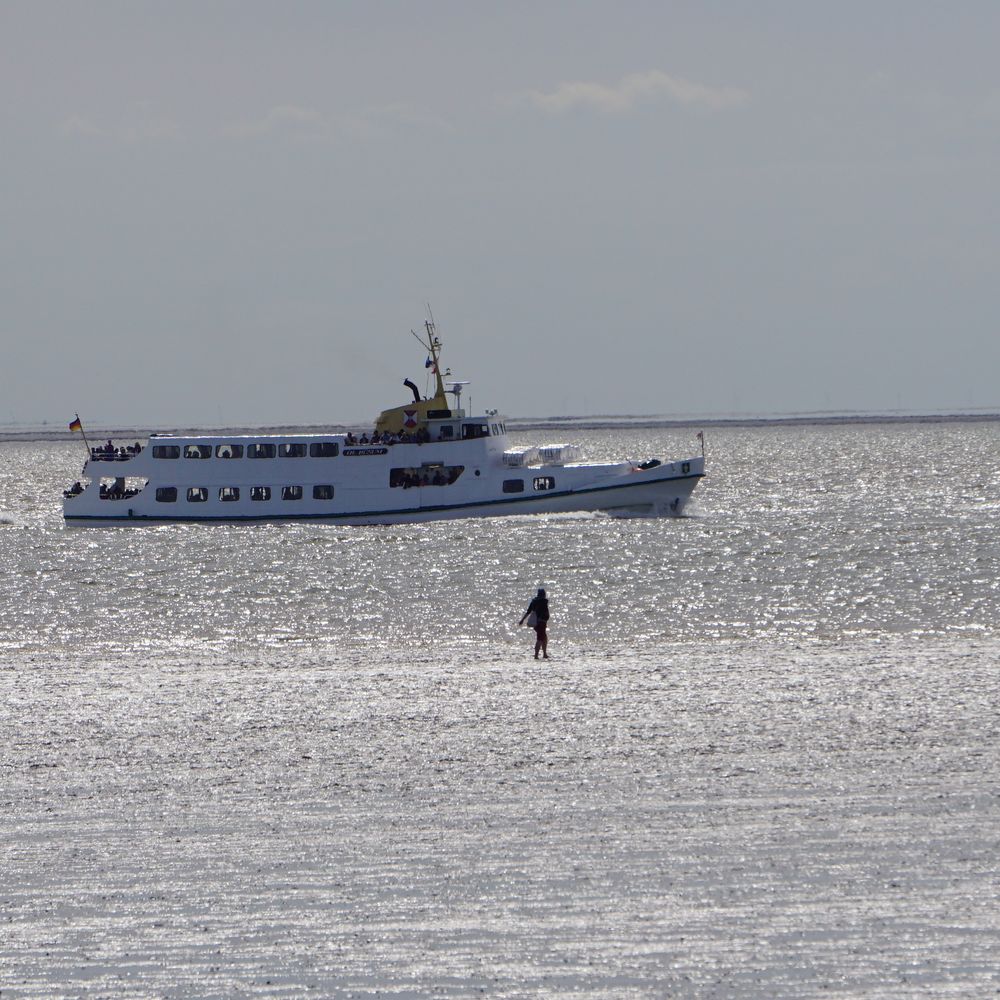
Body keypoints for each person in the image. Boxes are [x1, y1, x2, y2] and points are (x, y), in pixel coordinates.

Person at [519, 587, 550, 659]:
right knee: (540, 639)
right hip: (542, 622)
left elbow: (528, 612)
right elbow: (545, 612)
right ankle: (536, 655)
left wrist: (522, 620)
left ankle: (544, 654)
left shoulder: (534, 602)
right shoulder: (544, 601)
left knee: (544, 637)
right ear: (544, 594)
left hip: (537, 623)